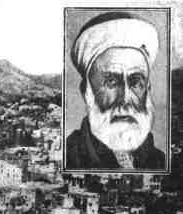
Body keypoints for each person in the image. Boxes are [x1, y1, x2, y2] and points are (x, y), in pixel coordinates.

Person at [66, 12, 165, 170]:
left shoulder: (160, 161)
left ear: (148, 90)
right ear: (86, 92)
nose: (125, 98)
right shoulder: (70, 156)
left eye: (136, 82)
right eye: (111, 81)